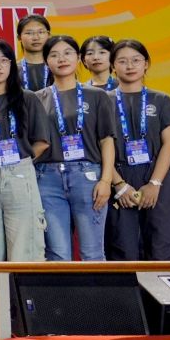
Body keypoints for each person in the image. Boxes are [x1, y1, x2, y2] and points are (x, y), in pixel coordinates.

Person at [0, 39, 49, 327]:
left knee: (25, 247)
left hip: (19, 173)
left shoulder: (28, 99)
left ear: (12, 65)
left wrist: (17, 164)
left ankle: (27, 320)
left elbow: (41, 141)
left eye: (3, 60)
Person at [36, 33, 116, 263]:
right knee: (57, 253)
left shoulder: (97, 96)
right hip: (47, 178)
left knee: (92, 252)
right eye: (54, 55)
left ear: (79, 58)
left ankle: (96, 291)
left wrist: (106, 180)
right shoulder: (36, 98)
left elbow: (106, 140)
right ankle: (62, 291)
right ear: (46, 61)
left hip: (87, 176)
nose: (61, 59)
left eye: (67, 53)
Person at [103, 39, 170, 261]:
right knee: (122, 248)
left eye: (136, 60)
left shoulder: (161, 99)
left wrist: (155, 184)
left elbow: (169, 143)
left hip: (156, 175)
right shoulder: (103, 101)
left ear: (146, 64)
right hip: (118, 177)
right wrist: (118, 185)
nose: (130, 66)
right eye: (122, 61)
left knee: (160, 246)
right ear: (113, 66)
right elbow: (101, 146)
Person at [15, 13, 52, 92]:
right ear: (19, 37)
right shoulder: (12, 70)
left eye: (41, 32)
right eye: (29, 33)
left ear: (48, 35)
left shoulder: (57, 67)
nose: (36, 37)